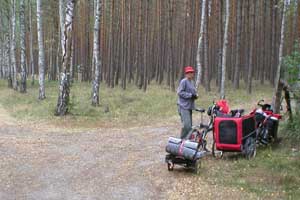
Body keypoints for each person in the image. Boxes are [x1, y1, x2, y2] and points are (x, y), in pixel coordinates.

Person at [177, 66, 198, 139]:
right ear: (186, 74)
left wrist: (195, 95)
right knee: (187, 125)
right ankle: (182, 140)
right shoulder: (183, 81)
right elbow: (180, 92)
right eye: (188, 73)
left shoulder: (192, 82)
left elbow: (193, 92)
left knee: (190, 126)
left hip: (189, 106)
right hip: (183, 106)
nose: (190, 74)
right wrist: (190, 95)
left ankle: (188, 141)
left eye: (191, 72)